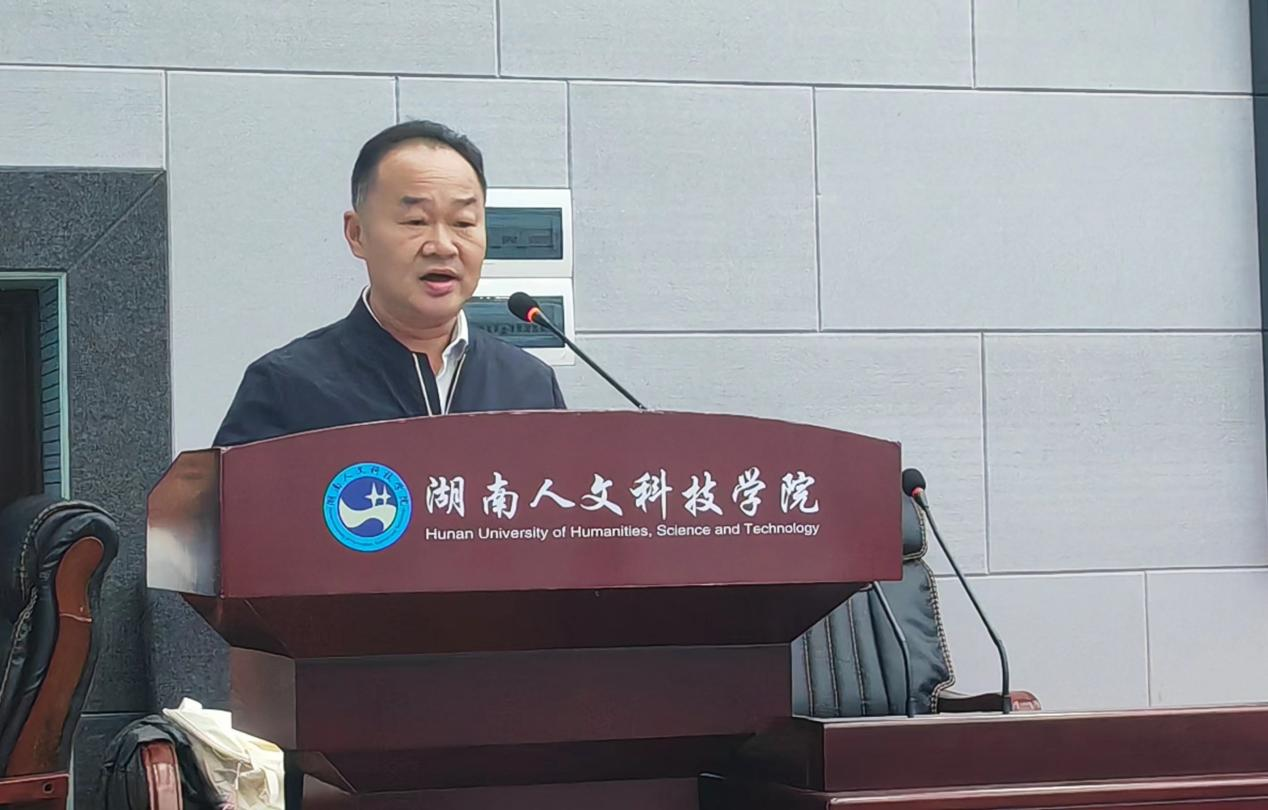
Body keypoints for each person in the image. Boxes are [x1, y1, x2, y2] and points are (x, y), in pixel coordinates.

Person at [213, 120, 566, 447]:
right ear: (357, 233)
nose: (442, 246)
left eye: (463, 222)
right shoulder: (287, 386)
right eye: (415, 221)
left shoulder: (531, 387)